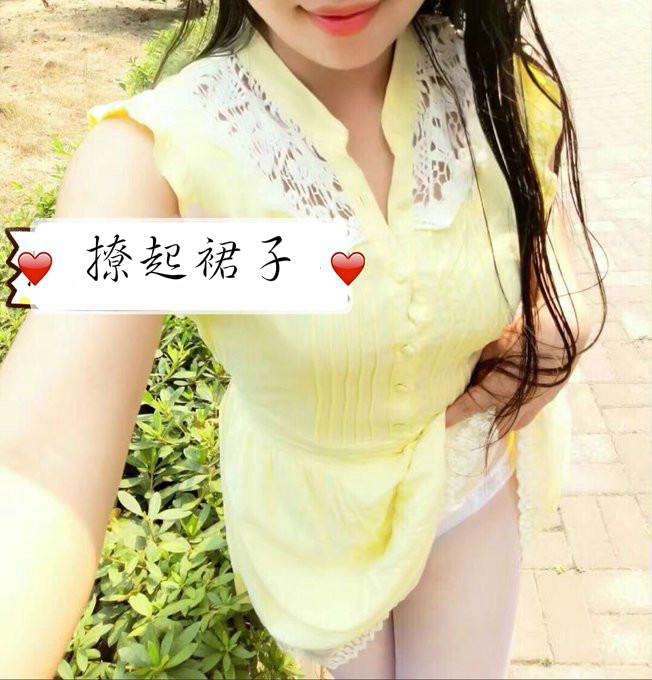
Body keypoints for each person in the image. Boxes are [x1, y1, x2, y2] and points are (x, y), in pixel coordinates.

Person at [0, 1, 605, 678]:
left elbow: (537, 201)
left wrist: (559, 291)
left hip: (465, 471)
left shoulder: (494, 83)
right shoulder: (158, 153)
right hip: (310, 524)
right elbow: (34, 459)